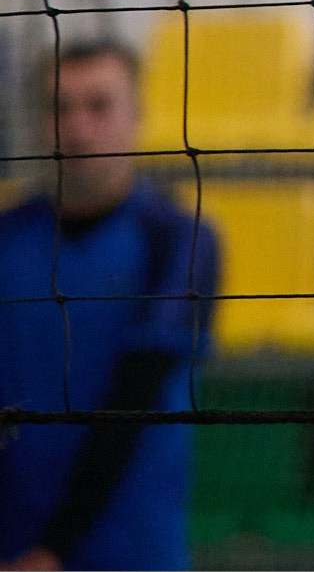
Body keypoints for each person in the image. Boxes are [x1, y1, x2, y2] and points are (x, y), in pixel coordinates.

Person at [0, 38, 219, 571]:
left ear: (136, 115)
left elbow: (133, 400)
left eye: (99, 105)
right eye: (60, 108)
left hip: (131, 549)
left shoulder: (179, 241)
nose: (77, 129)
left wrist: (53, 550)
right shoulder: (8, 237)